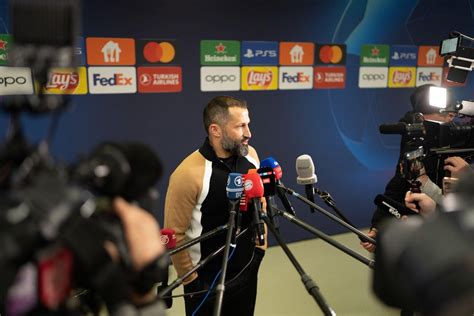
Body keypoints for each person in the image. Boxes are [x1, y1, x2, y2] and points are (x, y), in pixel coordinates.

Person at [164, 96, 266, 316]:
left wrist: (259, 251)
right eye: (240, 126)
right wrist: (192, 283)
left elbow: (261, 204)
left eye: (248, 124)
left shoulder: (252, 156)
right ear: (215, 130)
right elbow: (174, 235)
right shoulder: (188, 174)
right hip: (205, 285)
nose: (249, 133)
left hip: (247, 272)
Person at [361, 84, 457, 253]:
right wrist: (378, 227)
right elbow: (398, 184)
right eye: (444, 114)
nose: (450, 119)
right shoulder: (414, 139)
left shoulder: (460, 148)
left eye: (451, 115)